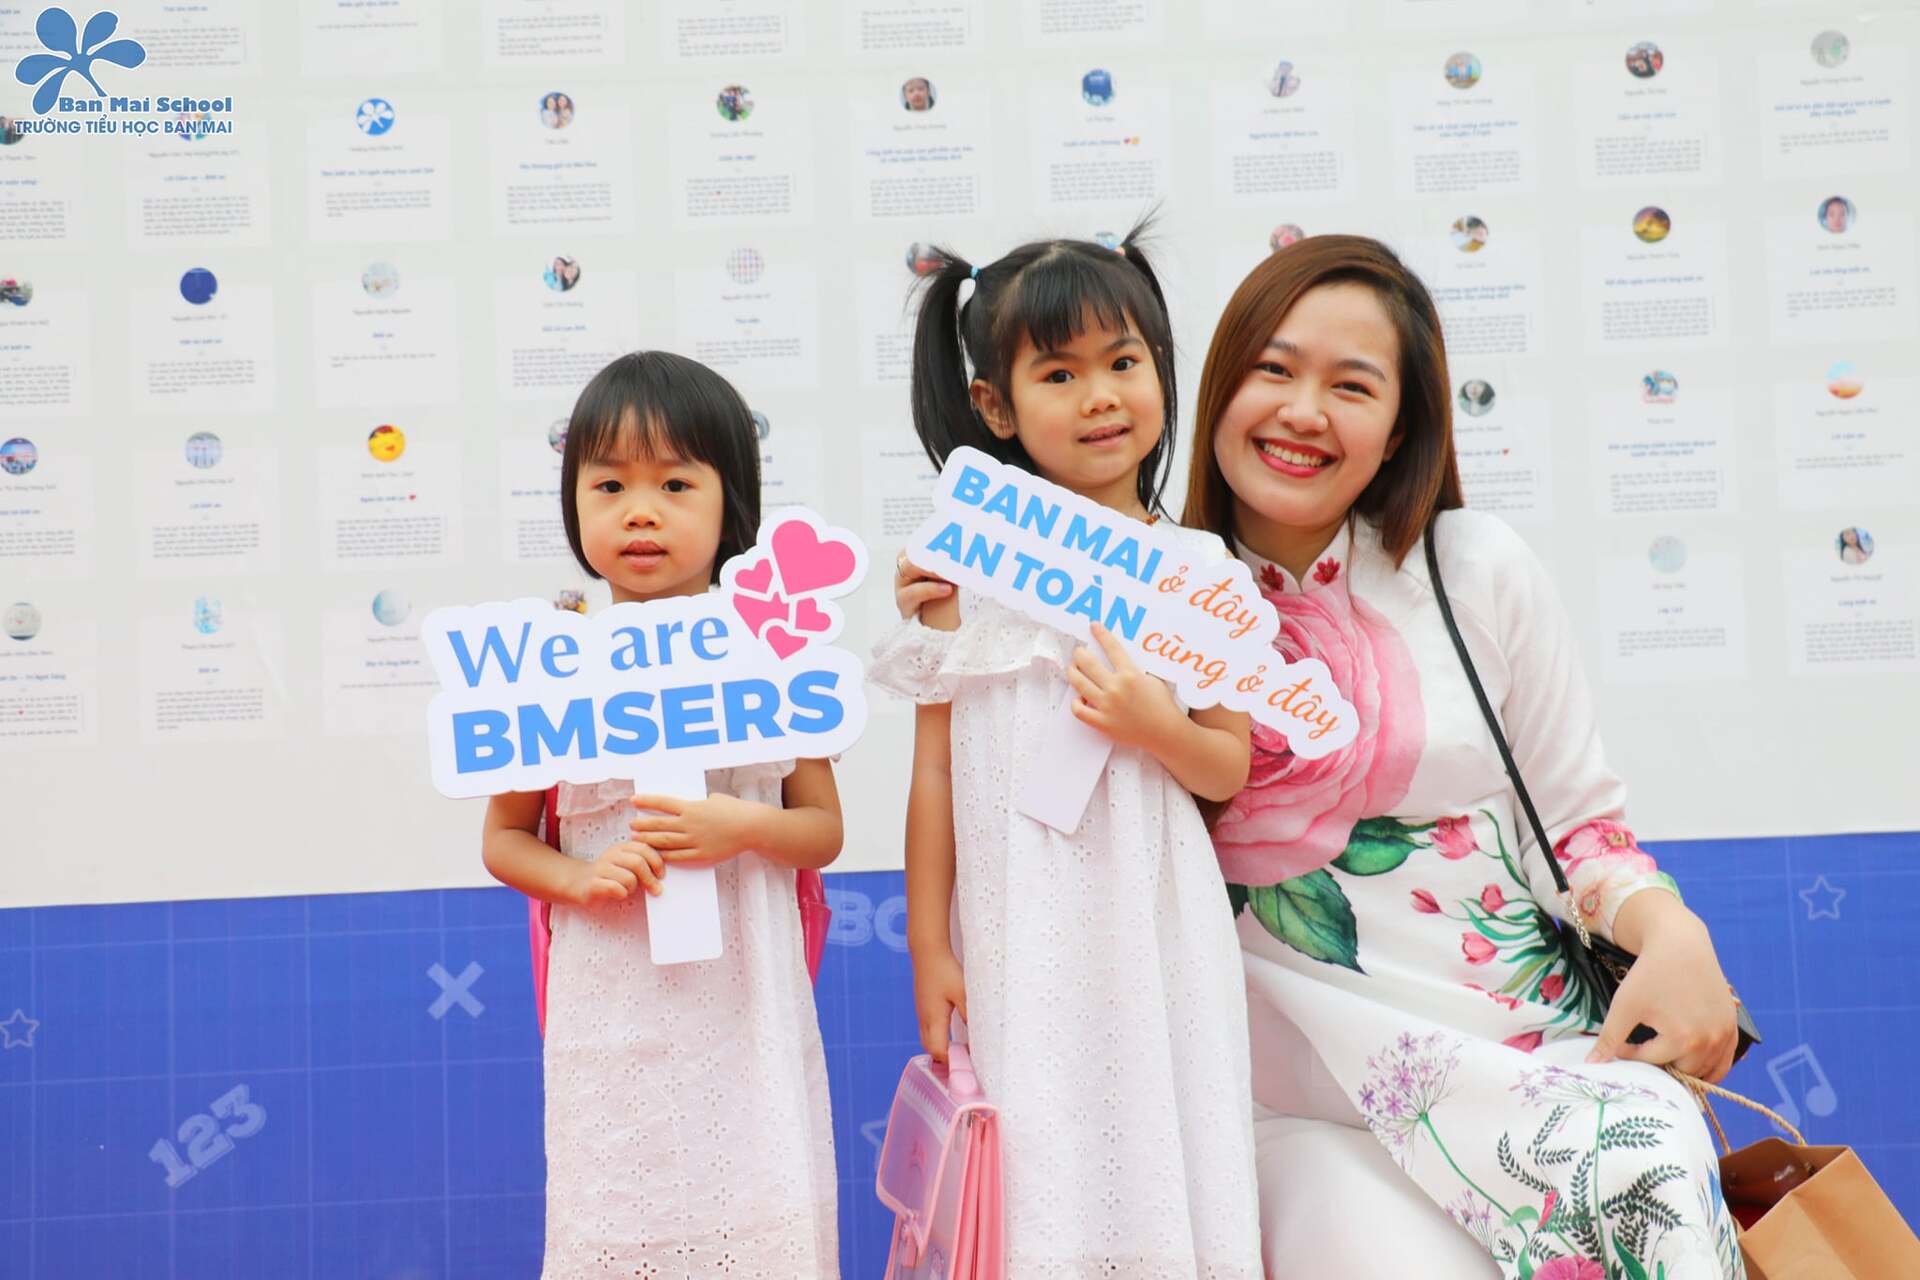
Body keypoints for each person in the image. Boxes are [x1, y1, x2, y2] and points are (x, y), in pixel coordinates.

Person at [1182, 236, 1746, 1278]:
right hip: (1308, 1099)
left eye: (1352, 386)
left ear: (1400, 430)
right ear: (1219, 389)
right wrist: (960, 617)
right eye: (1274, 369)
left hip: (1538, 1060)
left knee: (1648, 1170)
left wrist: (1671, 930)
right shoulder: (1140, 596)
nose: (1303, 411)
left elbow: (1575, 828)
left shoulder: (1473, 567)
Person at [877, 228, 1264, 1277]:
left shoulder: (1199, 569)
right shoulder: (961, 567)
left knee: (1164, 1127)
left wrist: (1157, 726)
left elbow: (1226, 768)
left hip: (1156, 919)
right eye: (1059, 373)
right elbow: (933, 768)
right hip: (1018, 921)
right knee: (1044, 1148)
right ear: (995, 406)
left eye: (1123, 361)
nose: (1100, 396)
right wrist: (930, 944)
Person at [481, 352, 842, 1277]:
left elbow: (822, 832)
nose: (640, 511)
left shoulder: (774, 654)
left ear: (732, 502)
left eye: (676, 484)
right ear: (574, 505)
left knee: (758, 1213)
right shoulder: (548, 667)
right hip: (612, 1011)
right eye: (609, 485)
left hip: (748, 1006)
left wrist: (743, 827)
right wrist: (579, 878)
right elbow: (505, 840)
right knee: (623, 1208)